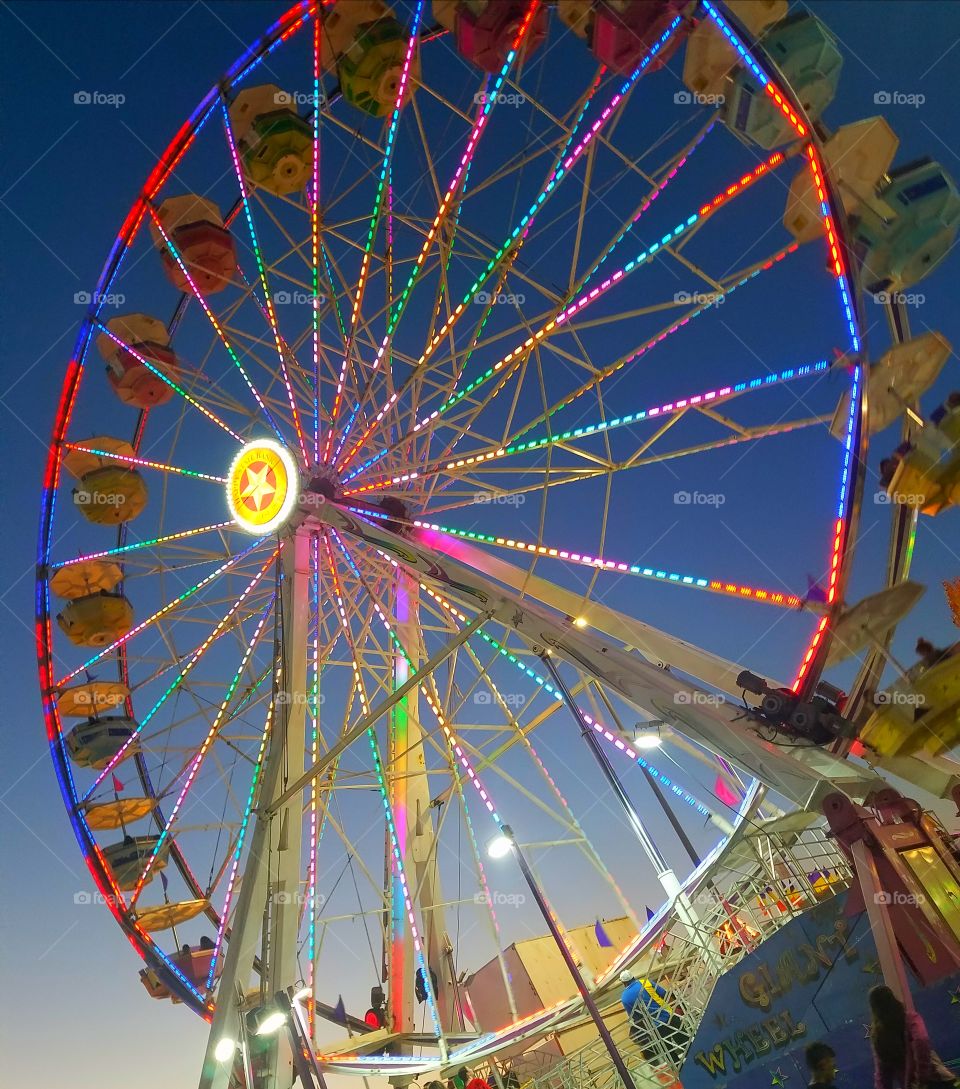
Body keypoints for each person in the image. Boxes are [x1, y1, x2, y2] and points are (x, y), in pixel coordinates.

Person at [869, 985, 956, 1089]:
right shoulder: (910, 1019)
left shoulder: (879, 1036)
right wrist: (921, 1078)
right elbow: (922, 1041)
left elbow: (882, 1075)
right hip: (937, 1080)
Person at [619, 970, 687, 1060]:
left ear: (623, 982)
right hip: (668, 1016)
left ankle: (679, 1068)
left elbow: (634, 1016)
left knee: (668, 1050)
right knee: (684, 1041)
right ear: (633, 977)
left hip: (654, 1027)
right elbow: (664, 994)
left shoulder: (624, 998)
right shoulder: (645, 982)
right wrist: (676, 1007)